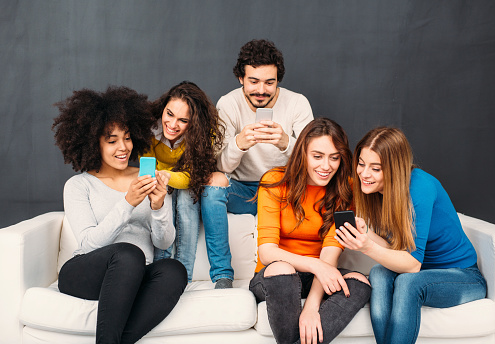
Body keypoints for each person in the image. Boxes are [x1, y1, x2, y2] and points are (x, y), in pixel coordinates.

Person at [52, 86, 188, 344]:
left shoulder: (148, 177)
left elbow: (163, 243)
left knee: (173, 269)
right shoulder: (79, 186)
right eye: (112, 141)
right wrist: (127, 203)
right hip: (85, 273)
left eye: (127, 138)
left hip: (135, 276)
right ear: (94, 143)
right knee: (128, 253)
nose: (123, 147)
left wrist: (159, 206)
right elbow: (89, 244)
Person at [335, 127, 487, 344]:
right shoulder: (377, 191)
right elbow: (397, 249)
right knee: (379, 273)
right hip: (422, 272)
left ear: (395, 168)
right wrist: (366, 234)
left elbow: (413, 265)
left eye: (375, 168)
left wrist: (366, 247)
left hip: (463, 277)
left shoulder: (420, 188)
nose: (364, 173)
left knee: (408, 283)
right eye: (361, 163)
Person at [201, 39, 314, 288]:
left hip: (284, 189)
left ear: (278, 81)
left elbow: (314, 163)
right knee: (212, 184)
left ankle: (302, 275)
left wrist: (286, 142)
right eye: (253, 81)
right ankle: (222, 276)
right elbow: (221, 167)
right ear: (241, 78)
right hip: (245, 190)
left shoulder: (297, 104)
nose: (261, 90)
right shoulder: (228, 104)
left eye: (269, 82)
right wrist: (239, 144)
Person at [249, 118, 371, 344]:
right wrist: (316, 266)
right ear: (302, 154)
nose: (326, 166)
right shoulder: (274, 181)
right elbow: (267, 252)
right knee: (283, 269)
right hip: (275, 277)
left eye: (334, 158)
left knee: (360, 282)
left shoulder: (347, 188)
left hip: (318, 276)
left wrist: (312, 307)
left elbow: (330, 252)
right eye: (317, 156)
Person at [142, 81, 224, 282]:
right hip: (161, 183)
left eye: (183, 120)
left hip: (183, 181)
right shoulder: (146, 130)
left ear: (193, 122)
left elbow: (191, 176)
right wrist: (163, 178)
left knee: (187, 199)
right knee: (165, 197)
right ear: (163, 109)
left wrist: (166, 175)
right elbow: (147, 168)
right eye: (169, 114)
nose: (172, 125)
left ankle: (183, 276)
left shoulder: (205, 134)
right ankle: (159, 273)